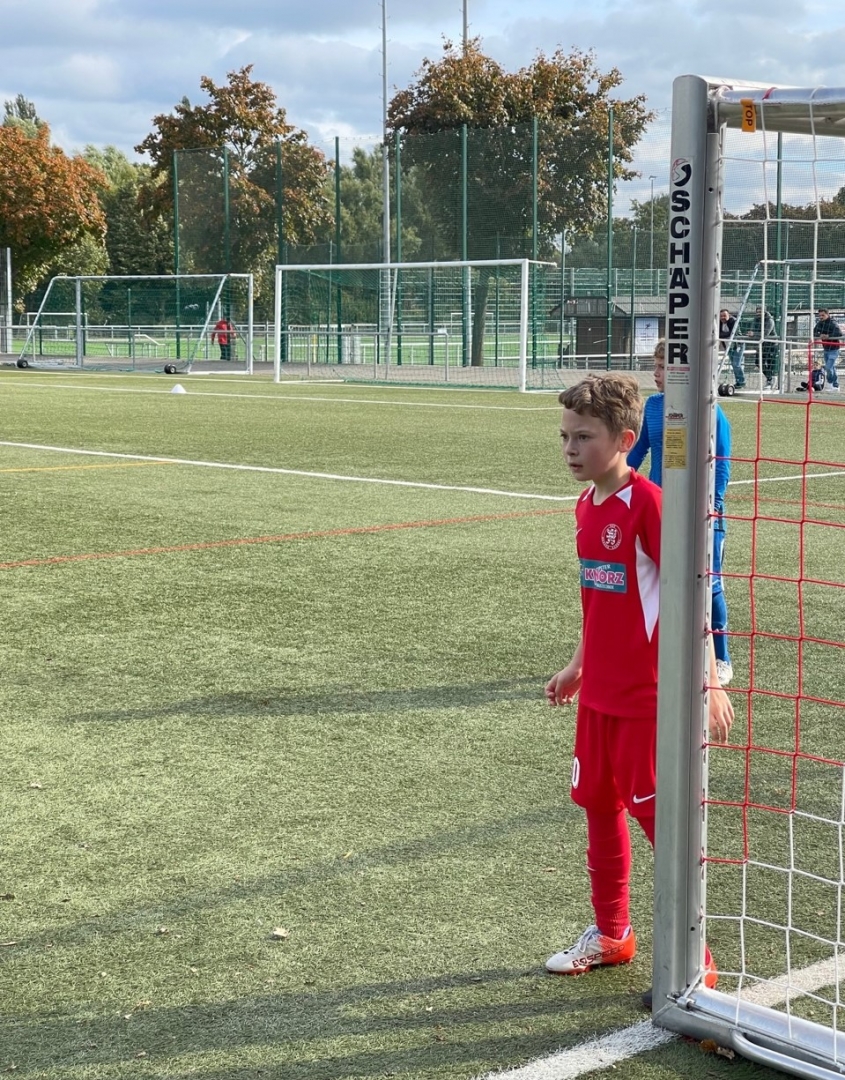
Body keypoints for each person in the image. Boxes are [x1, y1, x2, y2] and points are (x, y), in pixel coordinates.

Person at [544, 372, 734, 1007]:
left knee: (662, 826)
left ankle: (698, 967)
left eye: (584, 437)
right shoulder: (585, 505)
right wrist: (578, 665)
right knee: (597, 807)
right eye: (565, 437)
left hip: (645, 703)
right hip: (598, 697)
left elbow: (691, 592)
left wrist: (708, 680)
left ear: (626, 440)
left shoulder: (650, 505)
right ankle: (612, 933)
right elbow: (599, 600)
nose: (570, 449)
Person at [628, 340, 734, 687]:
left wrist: (713, 505)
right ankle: (655, 651)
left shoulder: (709, 409)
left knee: (709, 584)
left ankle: (721, 658)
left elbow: (721, 462)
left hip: (701, 514)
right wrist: (615, 482)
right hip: (659, 511)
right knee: (654, 579)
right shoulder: (653, 406)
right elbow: (637, 453)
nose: (656, 374)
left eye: (663, 367)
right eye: (655, 366)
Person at [749, 306, 777, 391]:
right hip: (761, 344)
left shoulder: (770, 320)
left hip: (771, 344)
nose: (758, 314)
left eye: (760, 312)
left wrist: (754, 334)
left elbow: (766, 333)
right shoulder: (755, 320)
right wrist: (753, 334)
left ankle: (770, 380)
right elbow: (752, 330)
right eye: (757, 312)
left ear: (765, 312)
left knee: (769, 363)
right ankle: (770, 378)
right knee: (758, 362)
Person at [812, 308, 841, 391]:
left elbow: (839, 333)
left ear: (828, 315)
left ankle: (830, 383)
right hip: (826, 348)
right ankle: (835, 386)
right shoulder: (820, 323)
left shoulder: (833, 323)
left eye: (823, 315)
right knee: (831, 368)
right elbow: (814, 332)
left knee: (828, 367)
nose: (821, 317)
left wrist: (828, 336)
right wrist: (820, 335)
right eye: (819, 315)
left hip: (834, 349)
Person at [719, 309, 745, 389]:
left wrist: (721, 335)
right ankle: (738, 381)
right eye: (721, 316)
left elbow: (732, 333)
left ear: (729, 315)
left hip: (738, 345)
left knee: (736, 364)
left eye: (724, 315)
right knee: (734, 365)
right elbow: (718, 333)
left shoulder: (733, 321)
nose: (723, 317)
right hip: (728, 346)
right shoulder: (719, 323)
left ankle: (741, 382)